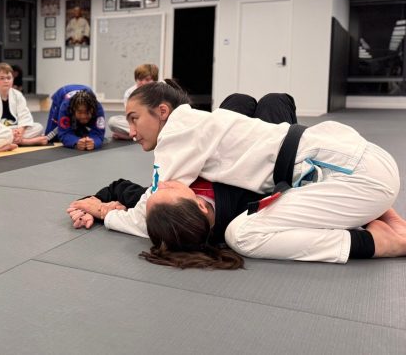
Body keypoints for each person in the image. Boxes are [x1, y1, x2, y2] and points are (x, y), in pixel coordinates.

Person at [98, 81, 404, 268]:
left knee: (241, 235)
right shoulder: (193, 123)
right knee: (261, 104)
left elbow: (148, 216)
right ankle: (378, 211)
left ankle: (381, 243)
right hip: (347, 164)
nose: (132, 130)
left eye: (134, 118)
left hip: (356, 175)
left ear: (162, 111)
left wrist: (104, 213)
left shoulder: (176, 133)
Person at [67, 93, 296, 236]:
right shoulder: (236, 211)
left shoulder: (162, 195)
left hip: (213, 149)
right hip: (261, 161)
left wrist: (93, 206)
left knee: (238, 100)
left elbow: (118, 188)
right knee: (273, 100)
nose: (164, 185)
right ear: (200, 206)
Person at [0, 63, 46, 146]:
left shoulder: (17, 95)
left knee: (38, 127)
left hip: (15, 128)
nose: (6, 81)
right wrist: (7, 131)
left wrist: (20, 131)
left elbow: (24, 115)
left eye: (9, 78)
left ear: (13, 79)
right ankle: (25, 141)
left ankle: (14, 140)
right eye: (2, 78)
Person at [45, 84, 105, 151]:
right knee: (52, 138)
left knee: (83, 135)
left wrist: (93, 142)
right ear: (73, 111)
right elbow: (64, 134)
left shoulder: (98, 108)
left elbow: (99, 134)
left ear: (92, 110)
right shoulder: (66, 107)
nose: (83, 116)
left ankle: (79, 130)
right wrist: (76, 142)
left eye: (87, 113)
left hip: (85, 97)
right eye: (79, 112)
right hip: (61, 95)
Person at [108, 64, 158, 140]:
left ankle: (133, 136)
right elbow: (130, 116)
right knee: (113, 121)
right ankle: (146, 135)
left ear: (154, 80)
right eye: (140, 80)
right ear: (136, 80)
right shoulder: (129, 93)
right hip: (138, 122)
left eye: (147, 80)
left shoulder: (160, 90)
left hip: (154, 122)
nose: (143, 83)